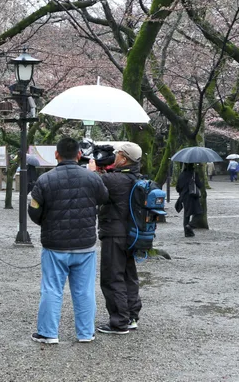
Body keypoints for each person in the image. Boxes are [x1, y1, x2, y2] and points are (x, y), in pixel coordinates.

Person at [28, 137, 108, 344]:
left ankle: (48, 333)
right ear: (79, 154)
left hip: (55, 244)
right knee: (84, 290)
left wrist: (46, 223)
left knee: (52, 289)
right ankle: (85, 333)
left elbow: (34, 210)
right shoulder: (92, 178)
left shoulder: (45, 180)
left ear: (56, 154)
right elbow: (103, 198)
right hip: (85, 245)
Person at [97, 142, 145, 335]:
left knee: (112, 277)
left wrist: (94, 170)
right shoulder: (137, 178)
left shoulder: (113, 180)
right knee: (128, 275)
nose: (114, 157)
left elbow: (94, 188)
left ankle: (119, 321)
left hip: (114, 234)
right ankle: (132, 316)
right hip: (133, 235)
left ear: (124, 158)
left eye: (117, 154)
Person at [176, 163, 203, 238]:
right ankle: (190, 225)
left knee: (186, 214)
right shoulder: (194, 174)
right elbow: (199, 185)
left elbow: (177, 187)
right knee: (199, 213)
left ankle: (187, 232)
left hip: (184, 197)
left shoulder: (181, 175)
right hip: (192, 196)